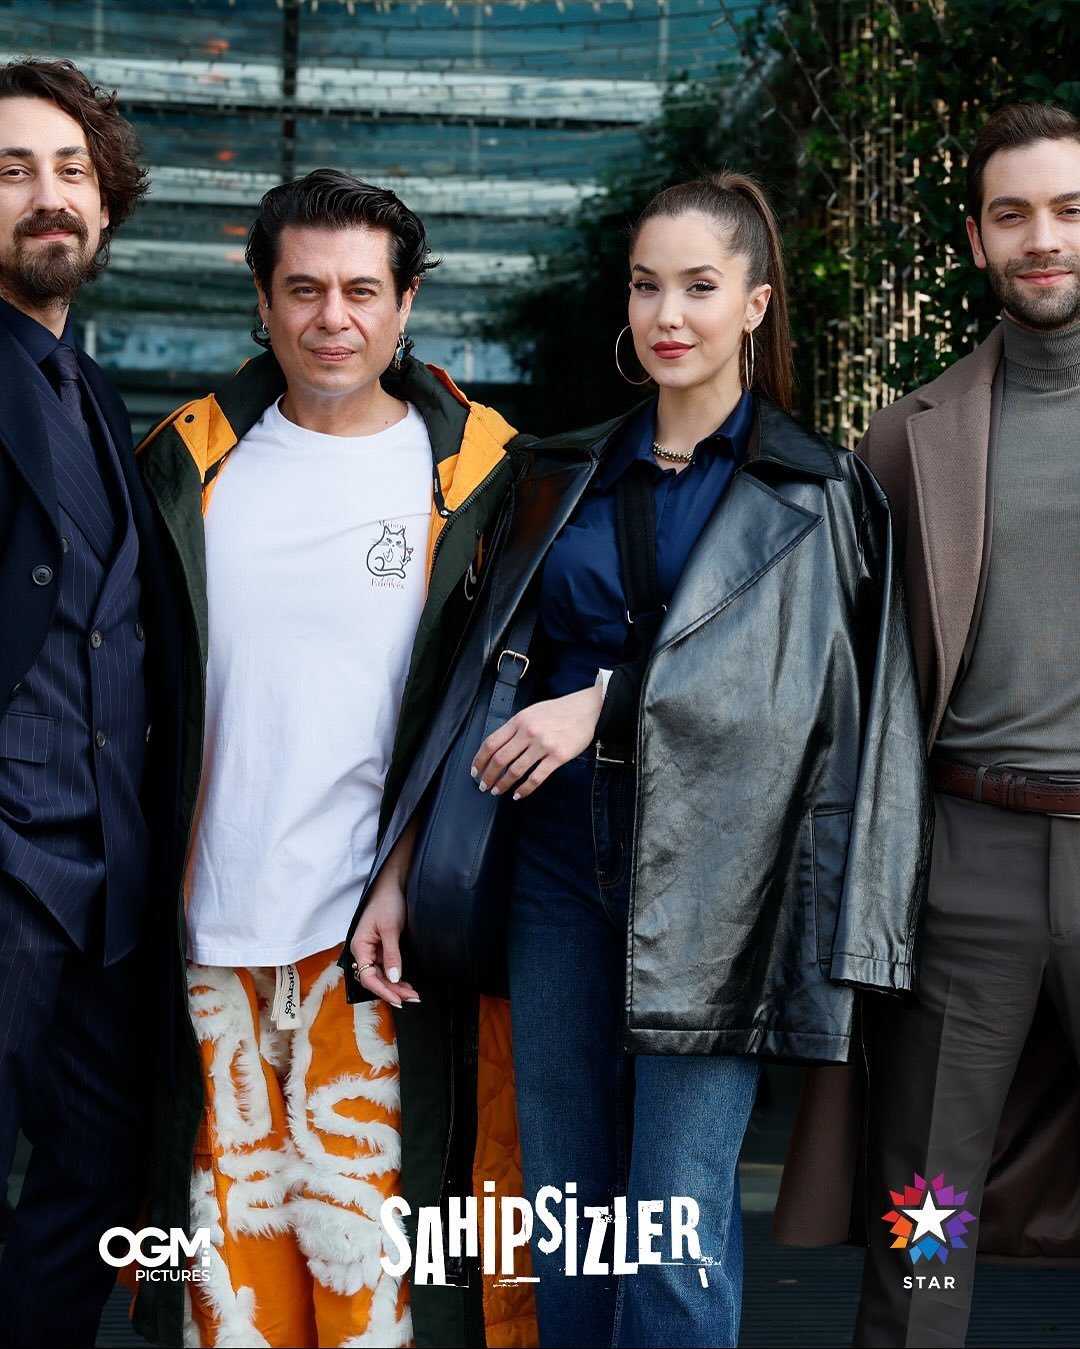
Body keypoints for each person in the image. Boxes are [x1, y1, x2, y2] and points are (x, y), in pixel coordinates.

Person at [350, 171, 930, 1348]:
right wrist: (402, 864)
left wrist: (607, 705)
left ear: (755, 304)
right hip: (556, 869)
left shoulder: (820, 491)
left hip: (724, 885)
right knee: (570, 1215)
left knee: (674, 1222)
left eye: (700, 287)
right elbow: (473, 681)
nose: (669, 313)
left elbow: (815, 709)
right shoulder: (557, 473)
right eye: (647, 285)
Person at [131, 170, 530, 1348]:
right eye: (303, 289)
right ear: (262, 301)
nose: (332, 318)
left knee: (374, 1296)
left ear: (406, 305)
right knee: (233, 1301)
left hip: (374, 944)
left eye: (362, 290)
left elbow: (497, 698)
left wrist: (410, 868)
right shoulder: (185, 464)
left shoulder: (482, 476)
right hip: (208, 942)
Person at [838, 102, 1080, 1346]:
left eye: (1071, 210)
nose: (1045, 238)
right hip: (967, 850)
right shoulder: (908, 434)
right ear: (979, 240)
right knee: (927, 1203)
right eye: (1013, 214)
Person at [0, 58, 182, 1347]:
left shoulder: (99, 392)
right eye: (11, 171)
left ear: (106, 203)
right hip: (10, 857)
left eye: (71, 170)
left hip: (107, 880)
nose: (47, 195)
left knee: (98, 1176)